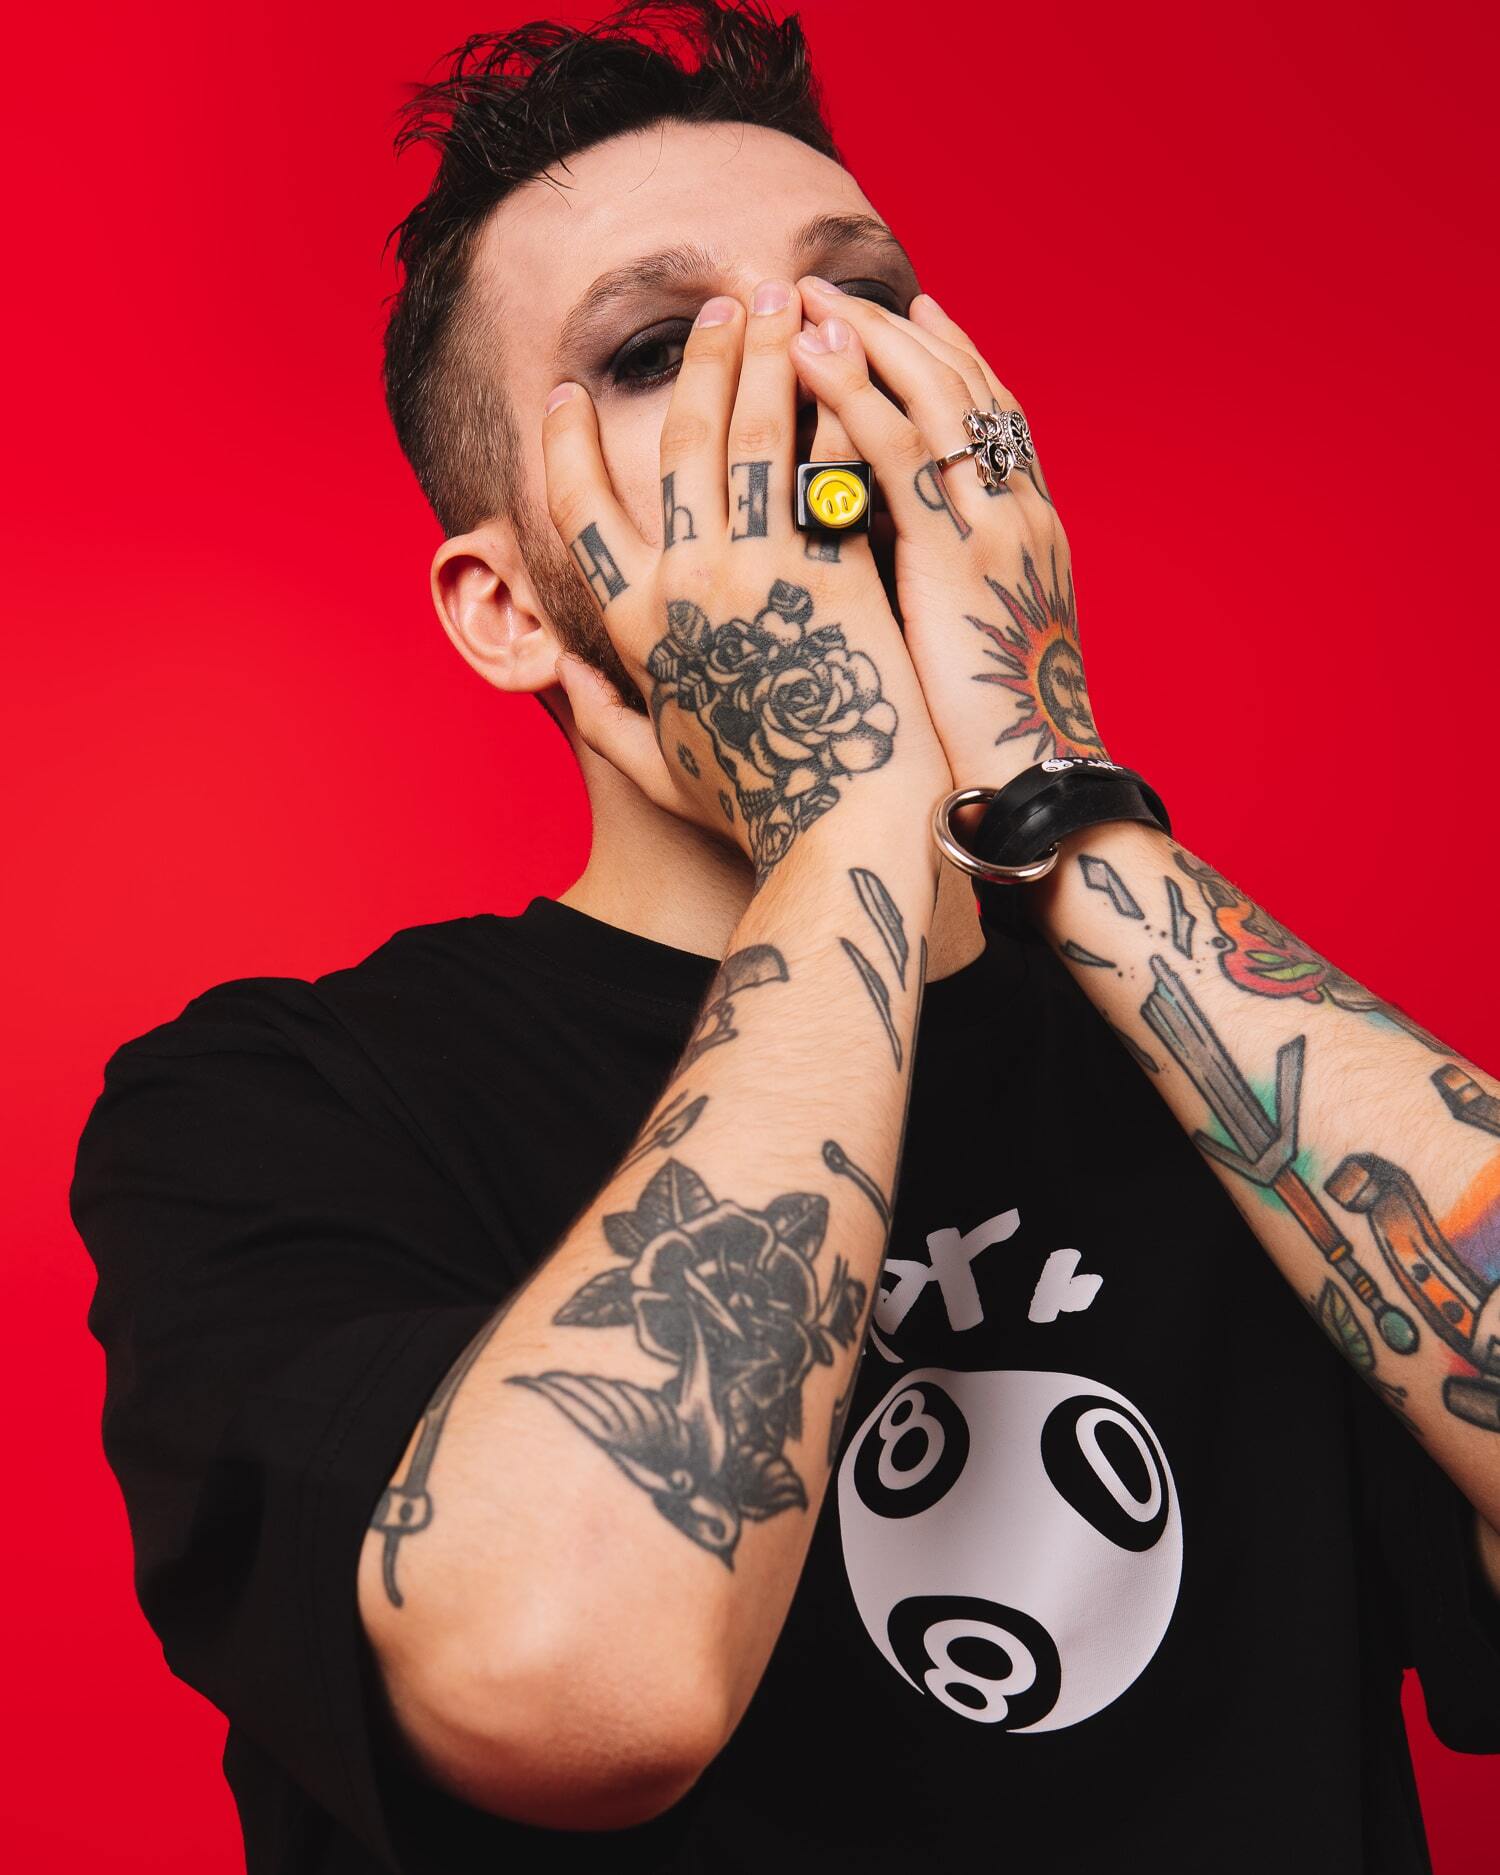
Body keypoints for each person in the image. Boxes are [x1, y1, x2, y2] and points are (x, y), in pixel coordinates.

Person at [71, 3, 1500, 1870]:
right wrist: (844, 811)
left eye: (862, 307)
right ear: (509, 610)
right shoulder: (278, 1106)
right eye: (661, 349)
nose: (807, 388)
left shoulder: (1213, 1063)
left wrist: (1048, 789)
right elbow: (585, 1682)